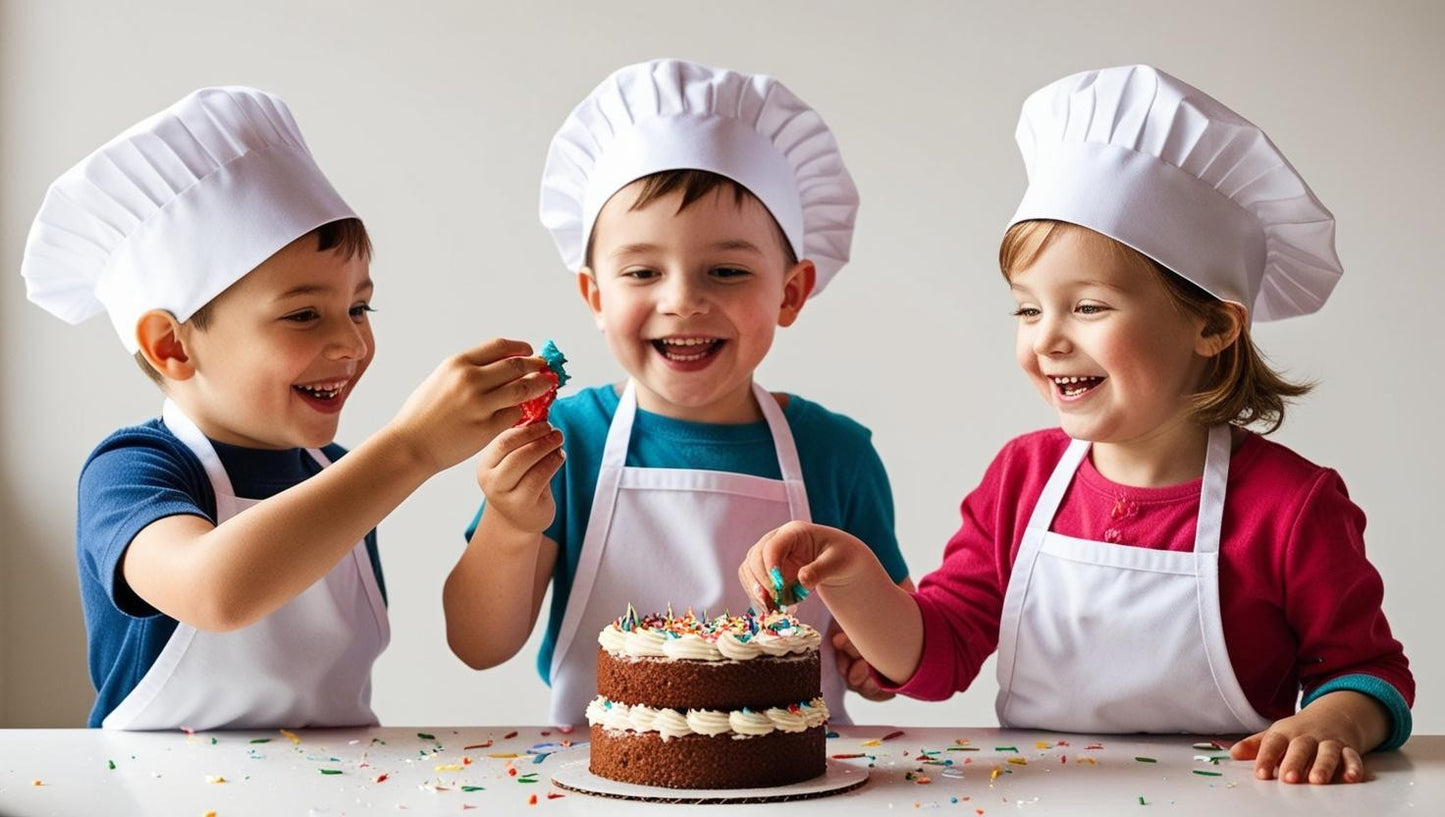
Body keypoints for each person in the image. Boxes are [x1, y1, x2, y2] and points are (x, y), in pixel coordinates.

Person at [740, 65, 1412, 784]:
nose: (1047, 339)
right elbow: (936, 656)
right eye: (1027, 309)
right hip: (1040, 796)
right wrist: (849, 572)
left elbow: (1369, 673)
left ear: (1213, 325)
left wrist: (1333, 716)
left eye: (1087, 306)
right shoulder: (1021, 478)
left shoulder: (1290, 505)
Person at [21, 86, 555, 730]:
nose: (352, 342)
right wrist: (412, 448)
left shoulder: (339, 472)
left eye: (360, 307)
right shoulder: (134, 470)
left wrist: (507, 513)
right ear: (171, 347)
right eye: (304, 314)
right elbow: (216, 590)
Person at [443, 59, 911, 726]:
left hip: (800, 785)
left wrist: (870, 652)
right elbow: (478, 644)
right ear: (595, 296)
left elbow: (897, 655)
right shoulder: (568, 439)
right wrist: (511, 521)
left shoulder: (834, 452)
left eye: (725, 270)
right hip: (601, 780)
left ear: (790, 291)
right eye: (641, 270)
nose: (683, 299)